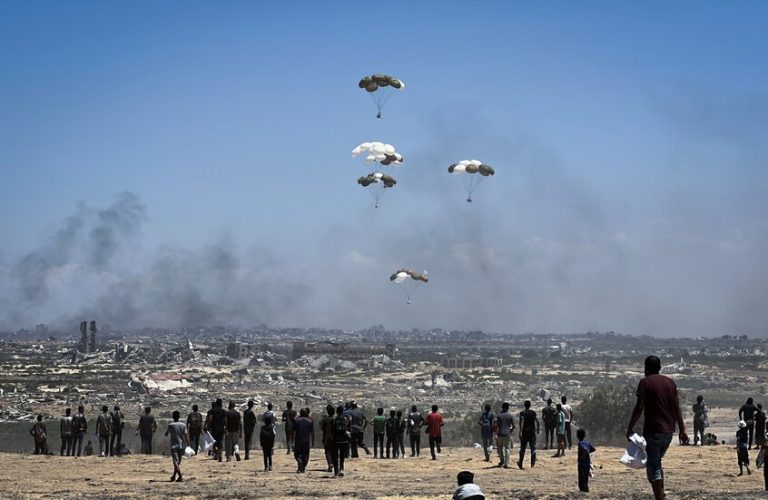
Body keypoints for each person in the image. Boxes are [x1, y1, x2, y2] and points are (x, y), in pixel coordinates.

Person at [626, 355, 688, 500]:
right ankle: (661, 494)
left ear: (646, 369)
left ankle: (659, 497)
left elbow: (639, 407)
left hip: (653, 430)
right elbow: (676, 408)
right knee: (656, 463)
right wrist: (682, 430)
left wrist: (630, 427)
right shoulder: (670, 383)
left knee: (654, 466)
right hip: (668, 432)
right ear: (659, 368)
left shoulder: (645, 382)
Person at [165, 410, 189, 482]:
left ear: (173, 417)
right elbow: (186, 435)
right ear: (179, 417)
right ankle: (174, 476)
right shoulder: (183, 425)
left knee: (175, 462)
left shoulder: (171, 425)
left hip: (174, 446)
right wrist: (188, 444)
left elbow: (166, 433)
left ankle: (180, 476)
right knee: (178, 462)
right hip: (181, 446)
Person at [517, 400, 539, 469]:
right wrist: (537, 429)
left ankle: (520, 463)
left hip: (525, 432)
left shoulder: (522, 413)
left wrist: (520, 432)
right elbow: (537, 421)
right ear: (530, 405)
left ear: (524, 405)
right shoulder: (533, 412)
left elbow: (522, 422)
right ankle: (532, 464)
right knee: (533, 447)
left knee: (523, 448)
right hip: (532, 432)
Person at [331, 405, 350, 477]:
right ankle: (341, 469)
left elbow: (332, 429)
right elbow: (348, 427)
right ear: (342, 411)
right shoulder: (345, 418)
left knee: (335, 456)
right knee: (342, 455)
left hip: (336, 439)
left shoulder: (334, 419)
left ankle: (336, 471)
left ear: (337, 411)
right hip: (344, 439)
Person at [293, 408, 314, 473]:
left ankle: (300, 463)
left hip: (298, 440)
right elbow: (312, 432)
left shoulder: (297, 421)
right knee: (305, 455)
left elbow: (293, 431)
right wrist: (313, 441)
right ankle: (303, 467)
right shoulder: (309, 421)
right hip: (306, 440)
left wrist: (292, 440)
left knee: (297, 454)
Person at [494, 402, 514, 467]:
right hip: (507, 434)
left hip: (500, 434)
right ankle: (506, 464)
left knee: (500, 448)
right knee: (507, 449)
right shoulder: (510, 415)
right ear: (508, 408)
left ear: (502, 407)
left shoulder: (499, 416)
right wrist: (510, 431)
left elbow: (497, 426)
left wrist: (496, 434)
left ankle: (502, 461)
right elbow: (513, 426)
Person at [577, 428, 596, 492]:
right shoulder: (587, 442)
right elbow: (593, 449)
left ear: (577, 436)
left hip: (582, 463)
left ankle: (583, 489)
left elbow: (584, 449)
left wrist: (584, 455)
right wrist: (587, 453)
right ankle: (586, 488)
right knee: (585, 477)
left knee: (581, 477)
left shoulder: (580, 443)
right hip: (587, 463)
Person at [320, 403, 336, 472]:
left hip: (326, 437)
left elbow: (321, 427)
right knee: (334, 451)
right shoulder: (336, 419)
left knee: (327, 451)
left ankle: (330, 464)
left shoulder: (325, 419)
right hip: (335, 437)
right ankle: (335, 464)